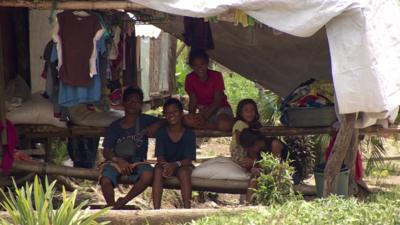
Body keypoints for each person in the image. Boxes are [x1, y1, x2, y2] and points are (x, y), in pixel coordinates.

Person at [99, 87, 163, 209]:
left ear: (141, 105)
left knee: (148, 175)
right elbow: (106, 151)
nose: (132, 104)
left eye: (137, 101)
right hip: (117, 161)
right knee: (105, 180)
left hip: (138, 162)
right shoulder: (115, 126)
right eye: (129, 100)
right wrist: (118, 160)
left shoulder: (144, 120)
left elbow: (164, 121)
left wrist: (155, 126)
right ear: (124, 102)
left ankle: (123, 201)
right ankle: (111, 208)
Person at [152, 98, 196, 209]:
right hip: (166, 165)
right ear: (164, 115)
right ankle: (156, 210)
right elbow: (160, 156)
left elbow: (188, 159)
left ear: (181, 113)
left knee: (183, 172)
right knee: (157, 169)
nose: (171, 115)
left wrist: (175, 165)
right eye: (168, 112)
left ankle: (187, 210)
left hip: (183, 165)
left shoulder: (189, 134)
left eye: (175, 111)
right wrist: (166, 166)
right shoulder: (161, 133)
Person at [183, 48, 233, 131]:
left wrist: (204, 116)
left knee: (224, 124)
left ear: (207, 63)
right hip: (203, 111)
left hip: (221, 109)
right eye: (195, 65)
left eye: (202, 64)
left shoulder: (216, 76)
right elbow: (193, 100)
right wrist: (193, 116)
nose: (199, 68)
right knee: (185, 121)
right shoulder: (190, 78)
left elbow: (217, 101)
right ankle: (212, 126)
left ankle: (211, 125)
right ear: (191, 66)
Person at [230, 99, 262, 165]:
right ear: (240, 112)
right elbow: (238, 140)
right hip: (239, 150)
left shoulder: (254, 124)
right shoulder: (240, 123)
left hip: (249, 148)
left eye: (252, 110)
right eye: (246, 110)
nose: (250, 113)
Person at [238, 128, 266, 203]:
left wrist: (254, 162)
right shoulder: (253, 150)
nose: (250, 150)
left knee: (254, 179)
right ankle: (248, 204)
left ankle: (248, 204)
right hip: (262, 172)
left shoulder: (272, 146)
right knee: (254, 177)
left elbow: (276, 167)